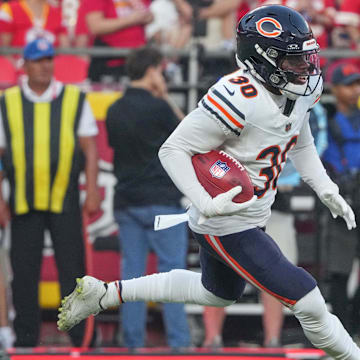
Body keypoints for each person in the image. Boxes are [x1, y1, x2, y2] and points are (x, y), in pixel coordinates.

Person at [58, 6, 360, 359]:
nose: (306, 69)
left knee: (215, 294)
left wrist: (325, 188)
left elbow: (300, 139)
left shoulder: (301, 89)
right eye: (294, 61)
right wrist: (204, 201)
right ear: (263, 59)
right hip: (227, 219)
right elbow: (173, 149)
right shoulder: (238, 97)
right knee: (308, 300)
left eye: (307, 58)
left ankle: (105, 294)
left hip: (251, 216)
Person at [202, 101, 329, 348]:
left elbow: (301, 151)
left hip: (272, 206)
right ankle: (212, 338)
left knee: (276, 274)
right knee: (218, 276)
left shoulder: (286, 108)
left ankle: (272, 339)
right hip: (232, 207)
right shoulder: (235, 105)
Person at [0, 38, 101, 347]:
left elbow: (90, 147)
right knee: (25, 273)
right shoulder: (8, 101)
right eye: (39, 60)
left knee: (73, 273)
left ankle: (80, 337)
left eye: (49, 59)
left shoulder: (73, 97)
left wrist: (93, 189)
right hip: (22, 201)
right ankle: (26, 339)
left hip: (65, 198)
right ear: (25, 65)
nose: (45, 65)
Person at [105, 46, 190, 350]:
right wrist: (165, 95)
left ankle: (132, 345)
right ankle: (179, 346)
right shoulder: (159, 108)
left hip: (127, 201)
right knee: (172, 277)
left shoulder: (114, 109)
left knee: (131, 278)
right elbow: (190, 136)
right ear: (152, 70)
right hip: (163, 202)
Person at [321, 63, 360, 334]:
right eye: (348, 84)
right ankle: (341, 331)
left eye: (357, 84)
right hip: (341, 198)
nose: (355, 90)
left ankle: (355, 327)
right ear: (334, 89)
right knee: (339, 269)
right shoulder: (324, 119)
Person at [83, 0, 153, 82]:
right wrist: (131, 20)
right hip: (110, 62)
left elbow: (149, 15)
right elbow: (95, 26)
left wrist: (145, 15)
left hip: (138, 61)